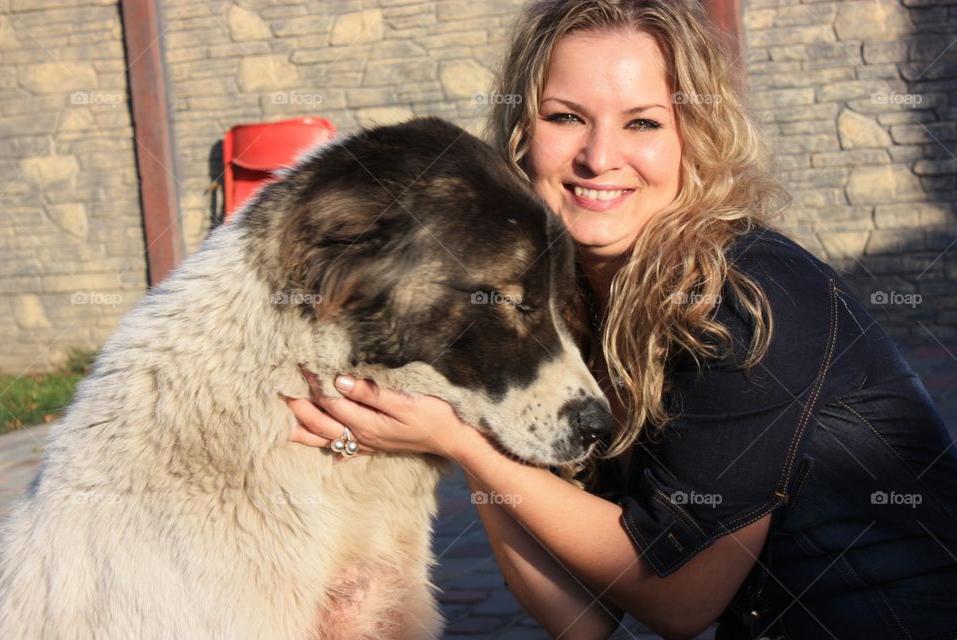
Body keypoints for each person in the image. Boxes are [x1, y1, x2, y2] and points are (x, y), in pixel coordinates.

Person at [284, 1, 957, 637]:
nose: (598, 157)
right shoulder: (568, 296)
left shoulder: (750, 299)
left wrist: (463, 439)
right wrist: (464, 428)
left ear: (693, 138)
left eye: (642, 122)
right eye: (566, 117)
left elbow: (679, 599)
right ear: (523, 133)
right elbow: (584, 619)